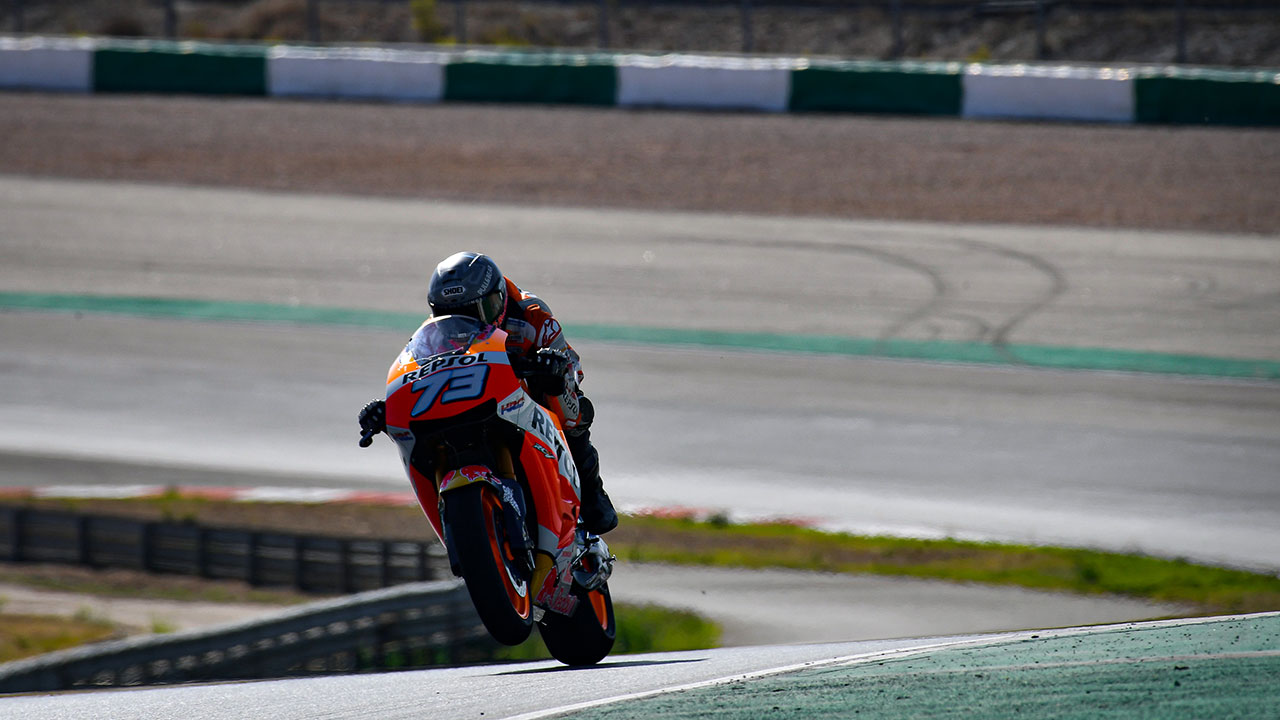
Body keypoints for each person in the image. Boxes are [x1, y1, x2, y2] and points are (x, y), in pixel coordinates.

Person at [358, 251, 618, 535]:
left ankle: (592, 494)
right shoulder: (434, 331)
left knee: (574, 414)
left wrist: (550, 368)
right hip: (478, 396)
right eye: (451, 315)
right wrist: (391, 408)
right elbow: (419, 371)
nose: (464, 323)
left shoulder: (534, 316)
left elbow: (569, 369)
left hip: (527, 388)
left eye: (476, 312)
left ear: (499, 299)